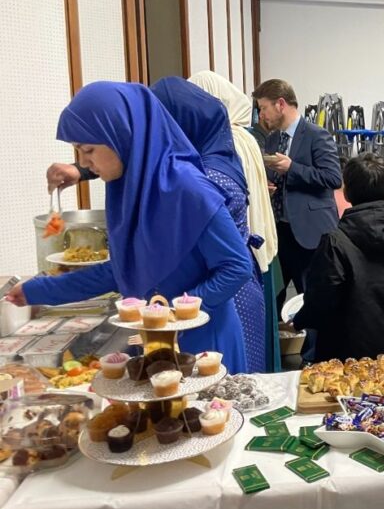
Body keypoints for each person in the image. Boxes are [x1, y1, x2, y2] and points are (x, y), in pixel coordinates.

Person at [9, 82, 253, 372]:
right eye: (78, 151)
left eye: (88, 150)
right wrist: (35, 291)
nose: (84, 162)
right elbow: (121, 270)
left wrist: (177, 312)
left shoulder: (187, 187)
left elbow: (236, 266)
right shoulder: (130, 189)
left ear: (122, 136)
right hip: (159, 340)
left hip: (206, 345)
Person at [150, 77, 266, 374]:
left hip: (220, 298)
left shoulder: (205, 177)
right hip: (234, 288)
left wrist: (179, 309)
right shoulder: (218, 153)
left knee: (222, 396)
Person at [187, 70, 281, 372]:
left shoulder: (226, 140)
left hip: (234, 253)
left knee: (235, 349)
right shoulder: (245, 137)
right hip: (251, 247)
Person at [291, 153, 384, 361]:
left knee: (339, 391)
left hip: (339, 347)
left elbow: (321, 298)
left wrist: (299, 320)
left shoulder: (335, 241)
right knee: (380, 390)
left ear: (346, 192)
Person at [252, 79, 342, 313]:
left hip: (310, 234)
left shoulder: (317, 135)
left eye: (263, 108)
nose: (262, 115)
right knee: (274, 299)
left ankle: (315, 350)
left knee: (313, 300)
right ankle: (278, 348)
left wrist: (293, 168)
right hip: (278, 233)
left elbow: (333, 178)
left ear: (280, 104)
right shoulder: (272, 139)